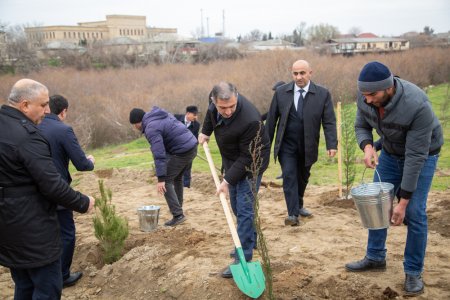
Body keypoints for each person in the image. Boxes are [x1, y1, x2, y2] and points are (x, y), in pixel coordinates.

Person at [346, 61, 443, 296]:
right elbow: (361, 124)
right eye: (364, 94)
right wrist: (368, 146)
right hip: (390, 150)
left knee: (415, 213)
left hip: (423, 155)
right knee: (378, 202)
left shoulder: (417, 105)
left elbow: (415, 157)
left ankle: (413, 271)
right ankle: (375, 257)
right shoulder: (365, 97)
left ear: (388, 87)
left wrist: (402, 202)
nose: (367, 99)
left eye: (372, 94)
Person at [0, 79, 95, 299]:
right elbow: (51, 184)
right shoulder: (28, 136)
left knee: (23, 284)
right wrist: (83, 202)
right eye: (43, 105)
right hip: (33, 227)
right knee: (48, 288)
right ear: (24, 105)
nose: (48, 110)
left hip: (7, 224)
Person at [198, 82, 270, 278]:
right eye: (223, 108)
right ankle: (250, 239)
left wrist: (226, 181)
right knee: (237, 207)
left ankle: (243, 256)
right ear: (214, 100)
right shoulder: (214, 105)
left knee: (244, 208)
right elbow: (210, 114)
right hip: (232, 156)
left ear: (236, 97)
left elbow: (247, 158)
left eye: (232, 106)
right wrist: (205, 131)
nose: (228, 111)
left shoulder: (251, 120)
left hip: (252, 161)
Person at [266, 60, 337, 226]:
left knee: (303, 178)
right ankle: (292, 214)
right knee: (289, 176)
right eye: (295, 73)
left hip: (308, 145)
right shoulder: (281, 92)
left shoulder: (322, 94)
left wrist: (331, 144)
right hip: (286, 145)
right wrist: (264, 145)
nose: (298, 77)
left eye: (302, 73)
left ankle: (299, 205)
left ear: (310, 73)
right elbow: (271, 121)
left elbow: (329, 121)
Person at [38, 94, 95, 288]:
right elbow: (82, 165)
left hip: (33, 193)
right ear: (63, 112)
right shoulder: (63, 129)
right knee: (66, 234)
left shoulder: (31, 126)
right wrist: (90, 161)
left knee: (43, 233)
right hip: (57, 190)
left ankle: (43, 273)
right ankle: (62, 276)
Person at [129, 106, 197, 226]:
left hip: (183, 151)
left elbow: (159, 153)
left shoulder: (151, 128)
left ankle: (178, 215)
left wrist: (161, 178)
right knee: (177, 178)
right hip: (190, 146)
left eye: (134, 125)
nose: (134, 128)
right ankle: (178, 208)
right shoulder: (157, 116)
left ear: (137, 123)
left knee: (166, 182)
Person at [174, 105, 200, 188]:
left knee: (187, 168)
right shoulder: (176, 119)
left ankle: (186, 186)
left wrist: (194, 150)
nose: (196, 117)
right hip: (175, 149)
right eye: (194, 114)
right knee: (176, 168)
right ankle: (176, 185)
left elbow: (195, 139)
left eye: (196, 115)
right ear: (188, 114)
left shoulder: (196, 125)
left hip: (189, 150)